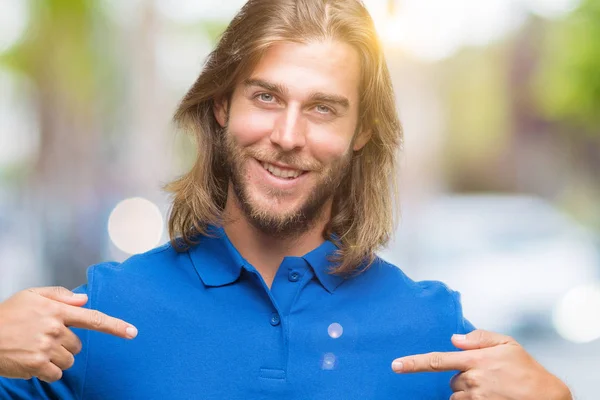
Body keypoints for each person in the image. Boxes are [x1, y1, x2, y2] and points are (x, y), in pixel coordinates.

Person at [0, 0, 572, 399]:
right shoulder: (100, 316)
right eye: (267, 97)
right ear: (222, 105)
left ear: (362, 131)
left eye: (323, 108)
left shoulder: (434, 334)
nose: (289, 135)